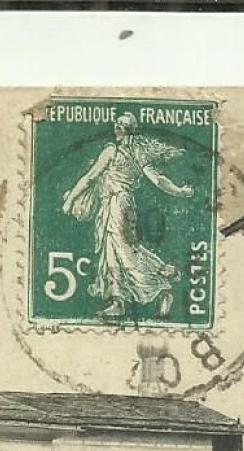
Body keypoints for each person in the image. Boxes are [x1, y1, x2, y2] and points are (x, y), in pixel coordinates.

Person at [60, 112, 196, 320]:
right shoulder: (137, 154)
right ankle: (129, 295)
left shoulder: (111, 151)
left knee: (121, 252)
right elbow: (158, 179)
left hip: (116, 204)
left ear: (127, 130)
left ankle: (157, 289)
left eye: (121, 124)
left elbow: (89, 178)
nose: (117, 126)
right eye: (118, 123)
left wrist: (70, 200)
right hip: (121, 205)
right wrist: (179, 191)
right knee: (120, 250)